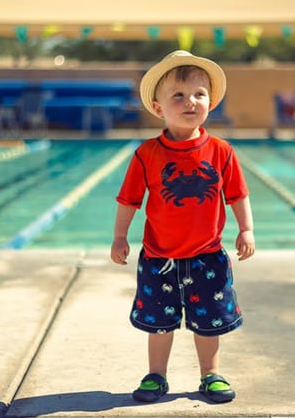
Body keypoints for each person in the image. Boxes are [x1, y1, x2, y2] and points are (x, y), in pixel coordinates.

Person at [110, 50, 256, 404]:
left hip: (208, 256)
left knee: (209, 325)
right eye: (178, 95)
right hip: (159, 258)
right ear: (158, 107)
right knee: (159, 324)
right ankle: (156, 375)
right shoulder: (147, 154)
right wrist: (119, 237)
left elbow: (238, 194)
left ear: (210, 102)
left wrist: (246, 229)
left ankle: (211, 374)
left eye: (199, 94)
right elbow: (129, 199)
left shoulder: (221, 151)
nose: (190, 101)